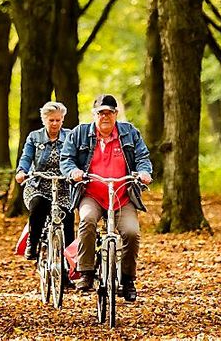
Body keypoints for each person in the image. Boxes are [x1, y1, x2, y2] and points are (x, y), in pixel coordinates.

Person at [60, 94, 153, 301]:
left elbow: (142, 157)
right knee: (87, 220)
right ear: (94, 115)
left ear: (115, 114)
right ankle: (86, 271)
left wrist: (145, 173)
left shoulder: (129, 133)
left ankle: (128, 280)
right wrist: (73, 171)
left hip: (122, 194)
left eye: (109, 113)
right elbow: (66, 158)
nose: (105, 117)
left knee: (131, 232)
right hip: (92, 193)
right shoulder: (80, 134)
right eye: (101, 113)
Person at [14, 101, 75, 274]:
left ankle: (69, 267)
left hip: (63, 185)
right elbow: (26, 157)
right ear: (44, 120)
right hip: (39, 183)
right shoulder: (35, 137)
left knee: (68, 218)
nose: (55, 123)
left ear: (63, 120)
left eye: (58, 120)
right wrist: (22, 172)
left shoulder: (70, 137)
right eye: (51, 120)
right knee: (38, 205)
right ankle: (32, 244)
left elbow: (76, 158)